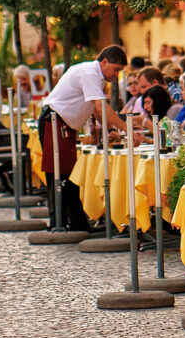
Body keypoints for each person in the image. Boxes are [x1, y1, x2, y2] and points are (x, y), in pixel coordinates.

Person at [38, 44, 131, 229]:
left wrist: (108, 131)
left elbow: (98, 113)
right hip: (55, 122)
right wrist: (128, 130)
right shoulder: (90, 73)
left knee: (70, 174)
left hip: (65, 124)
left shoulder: (97, 76)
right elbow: (100, 108)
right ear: (104, 62)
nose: (116, 75)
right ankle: (59, 222)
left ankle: (77, 222)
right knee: (59, 174)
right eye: (116, 69)